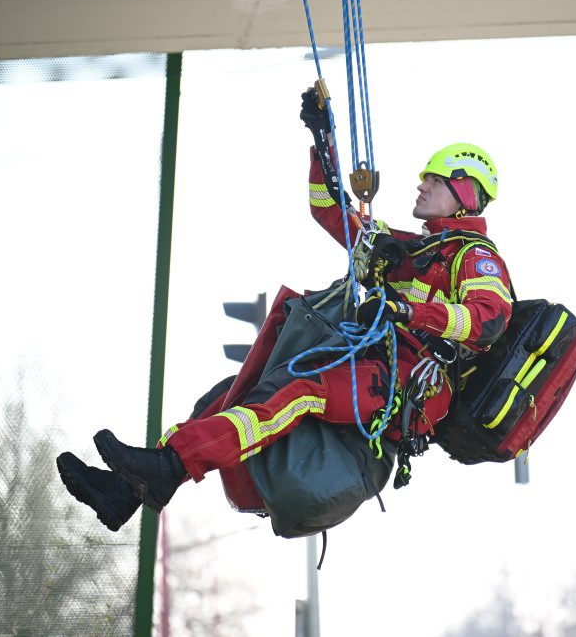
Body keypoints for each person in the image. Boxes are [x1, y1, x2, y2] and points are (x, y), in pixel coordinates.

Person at [56, 87, 514, 532]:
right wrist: (322, 139)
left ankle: (171, 464)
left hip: (408, 384)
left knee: (300, 390)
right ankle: (125, 491)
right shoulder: (410, 247)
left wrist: (408, 312)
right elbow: (328, 209)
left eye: (435, 179)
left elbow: (488, 318)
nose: (422, 184)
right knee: (232, 392)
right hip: (373, 363)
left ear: (465, 192)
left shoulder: (475, 256)